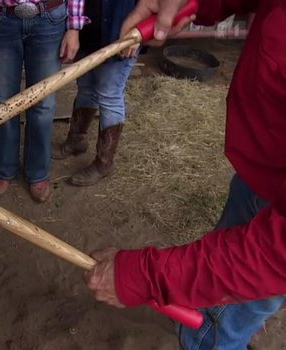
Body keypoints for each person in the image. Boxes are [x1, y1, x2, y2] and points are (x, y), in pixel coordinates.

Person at [84, 0, 286, 349]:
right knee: (236, 289)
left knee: (216, 327)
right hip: (262, 167)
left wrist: (144, 276)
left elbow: (276, 254)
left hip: (275, 213)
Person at [0, 0, 86, 203]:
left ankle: (38, 172)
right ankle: (4, 167)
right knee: (4, 101)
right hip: (0, 18)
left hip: (48, 17)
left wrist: (74, 27)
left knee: (43, 104)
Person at [52, 0, 139, 187]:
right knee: (85, 87)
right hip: (87, 30)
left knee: (109, 94)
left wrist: (139, 29)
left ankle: (104, 163)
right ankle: (76, 140)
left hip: (120, 30)